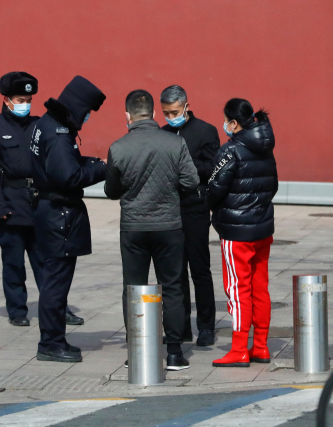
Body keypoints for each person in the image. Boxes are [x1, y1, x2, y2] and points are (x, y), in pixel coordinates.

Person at [0, 72, 83, 327]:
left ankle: (58, 308)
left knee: (48, 264)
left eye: (28, 99)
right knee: (13, 264)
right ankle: (17, 310)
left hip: (40, 206)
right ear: (7, 99)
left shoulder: (39, 125)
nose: (25, 104)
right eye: (20, 99)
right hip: (10, 208)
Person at [105, 89, 198, 371]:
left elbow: (111, 190)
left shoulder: (118, 147)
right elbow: (191, 180)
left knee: (134, 287)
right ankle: (173, 353)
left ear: (127, 116)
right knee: (172, 288)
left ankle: (138, 348)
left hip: (133, 227)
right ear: (155, 114)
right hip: (169, 225)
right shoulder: (174, 143)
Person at [30, 76, 107, 363]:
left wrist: (89, 162)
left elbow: (59, 164)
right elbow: (68, 176)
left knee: (53, 280)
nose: (87, 117)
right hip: (58, 216)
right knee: (56, 283)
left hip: (47, 211)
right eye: (87, 111)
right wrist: (100, 170)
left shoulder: (45, 124)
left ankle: (55, 338)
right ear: (77, 107)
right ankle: (50, 343)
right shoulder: (60, 133)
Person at [206, 98, 278, 367]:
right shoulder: (266, 148)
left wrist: (210, 205)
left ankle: (238, 349)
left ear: (234, 123)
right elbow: (273, 187)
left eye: (226, 120)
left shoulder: (231, 150)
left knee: (238, 290)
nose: (224, 125)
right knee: (260, 289)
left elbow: (215, 189)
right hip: (262, 228)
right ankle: (260, 346)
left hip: (237, 232)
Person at [161, 85, 219, 347]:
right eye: (165, 112)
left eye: (174, 111)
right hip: (168, 210)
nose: (170, 117)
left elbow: (213, 168)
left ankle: (206, 327)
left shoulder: (205, 131)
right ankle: (180, 327)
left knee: (199, 270)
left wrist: (184, 163)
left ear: (185, 106)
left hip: (195, 208)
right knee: (175, 273)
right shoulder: (161, 134)